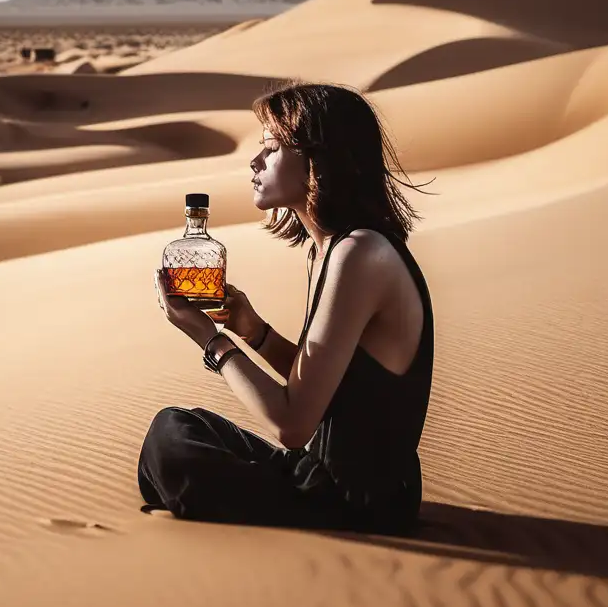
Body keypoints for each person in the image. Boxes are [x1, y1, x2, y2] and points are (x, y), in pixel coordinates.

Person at [140, 80, 436, 533]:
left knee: (172, 446)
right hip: (324, 475)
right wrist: (253, 329)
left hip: (354, 502)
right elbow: (319, 388)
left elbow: (293, 424)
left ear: (320, 158)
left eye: (272, 148)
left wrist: (210, 338)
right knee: (182, 425)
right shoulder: (331, 249)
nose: (255, 161)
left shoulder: (359, 255)